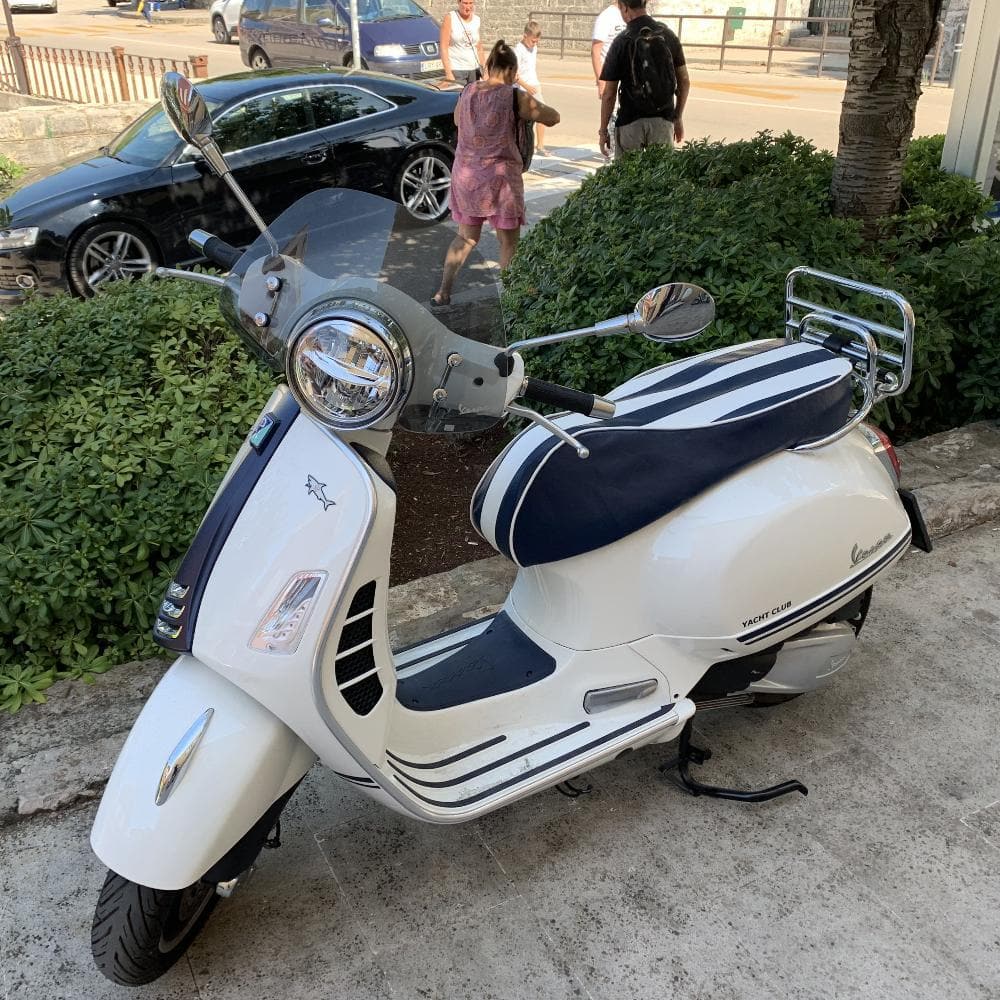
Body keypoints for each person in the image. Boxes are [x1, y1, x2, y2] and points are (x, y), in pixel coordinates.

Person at [432, 40, 560, 306]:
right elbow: (552, 117)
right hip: (501, 180)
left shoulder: (467, 91)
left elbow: (457, 120)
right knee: (508, 242)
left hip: (467, 177)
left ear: (488, 66)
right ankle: (512, 299)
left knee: (465, 236)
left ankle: (442, 292)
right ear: (513, 71)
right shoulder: (514, 96)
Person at [598, 0, 688, 159]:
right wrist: (677, 116)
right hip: (663, 119)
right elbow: (684, 81)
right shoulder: (667, 35)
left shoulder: (621, 41)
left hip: (630, 122)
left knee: (628, 178)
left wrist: (603, 131)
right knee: (661, 177)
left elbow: (609, 94)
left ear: (624, 7)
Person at [514, 21, 549, 156]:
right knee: (524, 121)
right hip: (523, 89)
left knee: (543, 115)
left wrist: (535, 84)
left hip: (534, 86)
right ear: (525, 36)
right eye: (532, 41)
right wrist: (526, 86)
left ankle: (540, 145)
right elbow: (514, 75)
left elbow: (531, 69)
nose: (534, 44)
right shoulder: (518, 51)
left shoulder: (534, 48)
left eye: (536, 41)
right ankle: (521, 146)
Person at [440, 0, 484, 87]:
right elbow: (443, 47)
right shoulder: (450, 18)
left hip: (474, 70)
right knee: (459, 99)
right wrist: (448, 73)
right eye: (465, 3)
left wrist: (484, 70)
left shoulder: (477, 20)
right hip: (457, 69)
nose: (468, 6)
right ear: (459, 2)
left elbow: (479, 48)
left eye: (471, 3)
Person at [591, 1, 625, 98]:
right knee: (611, 112)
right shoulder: (607, 16)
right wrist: (600, 81)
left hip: (630, 82)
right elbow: (596, 50)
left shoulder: (639, 14)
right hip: (611, 80)